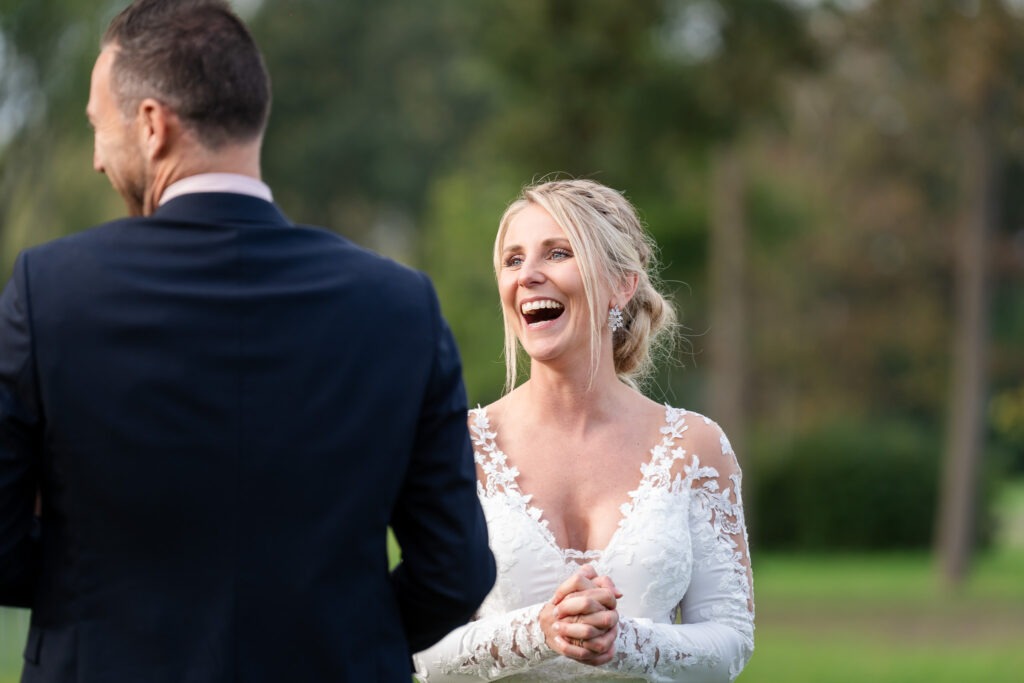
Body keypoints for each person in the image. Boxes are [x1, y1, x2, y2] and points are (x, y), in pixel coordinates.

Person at [0, 1, 495, 681]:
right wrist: (344, 636)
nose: (95, 159)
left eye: (97, 127)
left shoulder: (49, 291)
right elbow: (455, 571)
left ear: (152, 125)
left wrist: (101, 604)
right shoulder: (400, 306)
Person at [413, 179, 754, 681]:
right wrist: (538, 632)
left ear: (622, 284)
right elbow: (422, 647)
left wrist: (626, 641)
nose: (528, 275)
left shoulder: (696, 447)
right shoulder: (458, 447)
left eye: (558, 253)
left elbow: (731, 639)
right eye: (513, 260)